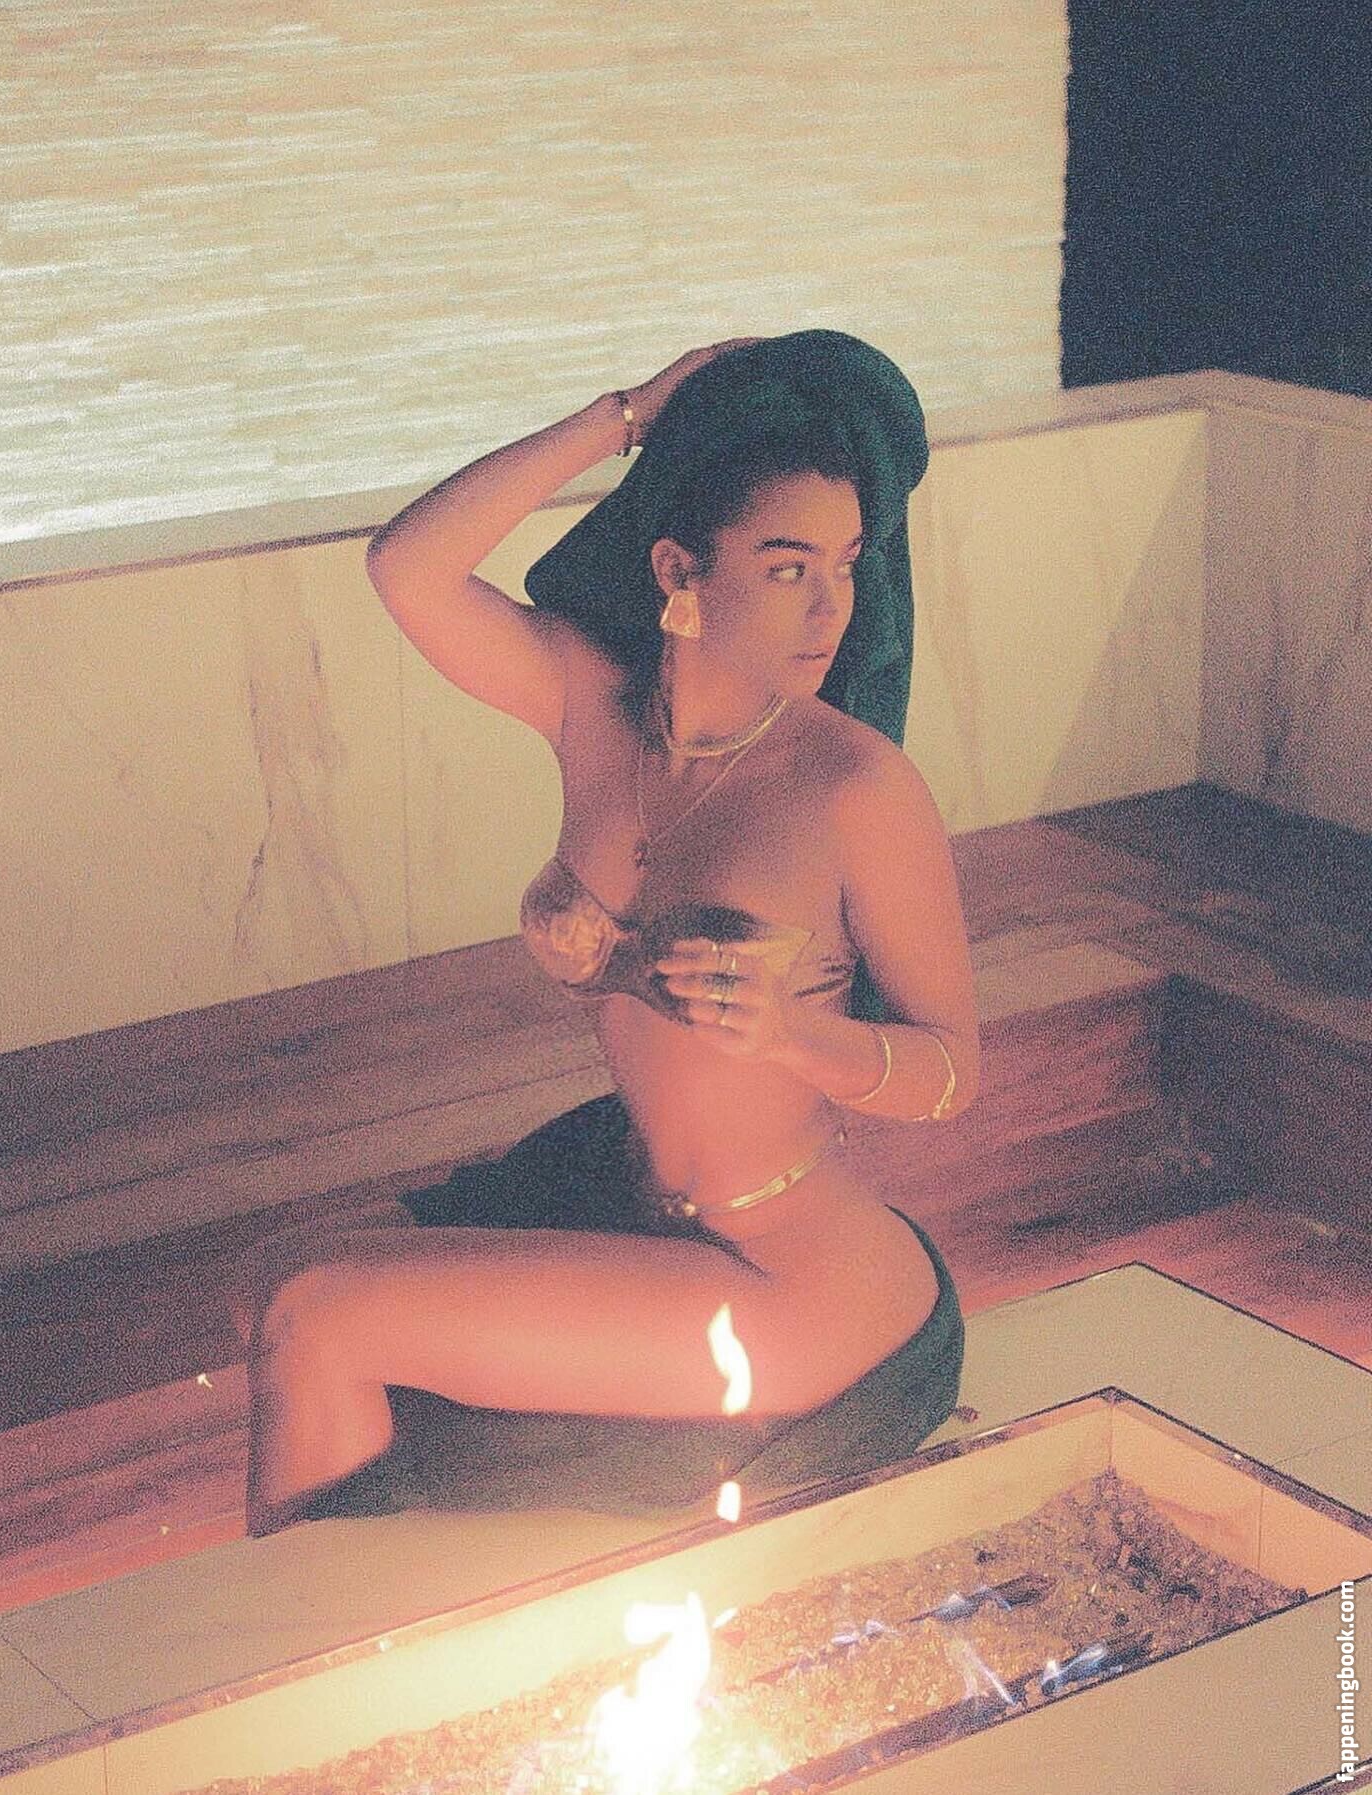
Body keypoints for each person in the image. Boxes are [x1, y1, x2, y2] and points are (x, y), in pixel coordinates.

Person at [235, 332, 980, 1538]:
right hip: (635, 1193)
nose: (831, 608)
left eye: (847, 565)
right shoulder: (593, 704)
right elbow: (407, 568)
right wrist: (623, 415)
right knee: (269, 1287)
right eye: (787, 566)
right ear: (679, 566)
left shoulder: (855, 787)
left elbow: (951, 1071)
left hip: (788, 1271)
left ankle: (320, 1640)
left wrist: (794, 1037)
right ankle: (369, 1615)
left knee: (317, 1316)